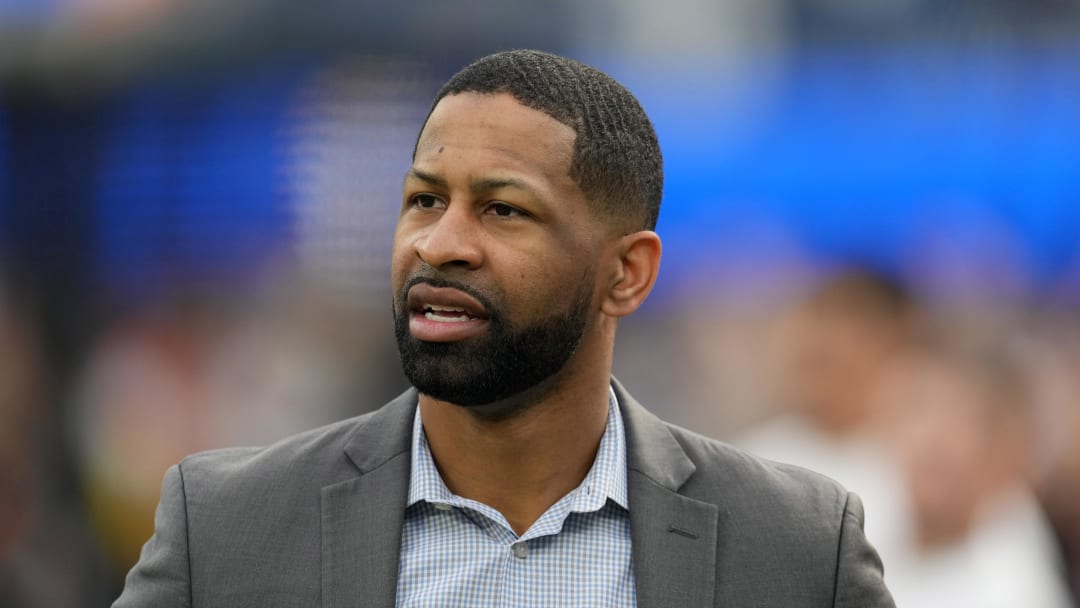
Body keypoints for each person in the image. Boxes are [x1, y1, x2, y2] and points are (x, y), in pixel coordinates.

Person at [113, 49, 894, 607]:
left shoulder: (796, 551)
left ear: (628, 274)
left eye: (502, 209)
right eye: (424, 199)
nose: (439, 242)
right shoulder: (224, 531)